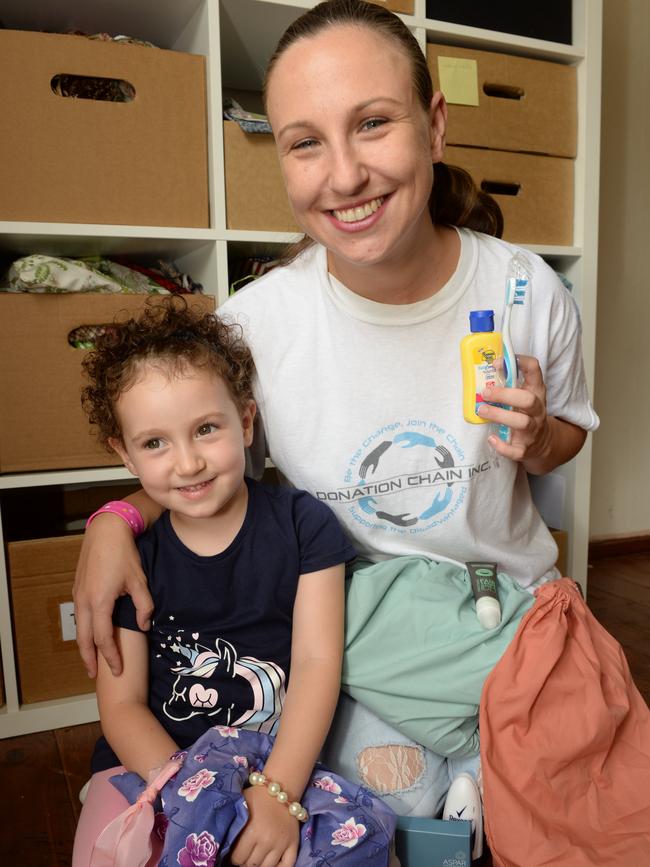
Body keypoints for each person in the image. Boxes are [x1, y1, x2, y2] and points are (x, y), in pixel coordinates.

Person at [73, 0, 599, 825]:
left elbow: (565, 438)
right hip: (350, 638)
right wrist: (111, 520)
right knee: (398, 805)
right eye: (306, 142)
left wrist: (536, 437)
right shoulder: (256, 325)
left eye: (374, 123)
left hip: (507, 619)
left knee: (593, 798)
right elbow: (199, 469)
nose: (344, 175)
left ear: (435, 126)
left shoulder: (526, 291)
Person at [71, 299, 395, 867]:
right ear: (124, 455)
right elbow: (121, 705)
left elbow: (318, 663)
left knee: (358, 846)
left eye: (205, 429)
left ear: (245, 422)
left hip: (279, 762)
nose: (188, 462)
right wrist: (188, 794)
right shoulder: (132, 557)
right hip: (156, 764)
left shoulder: (303, 525)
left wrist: (276, 794)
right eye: (155, 443)